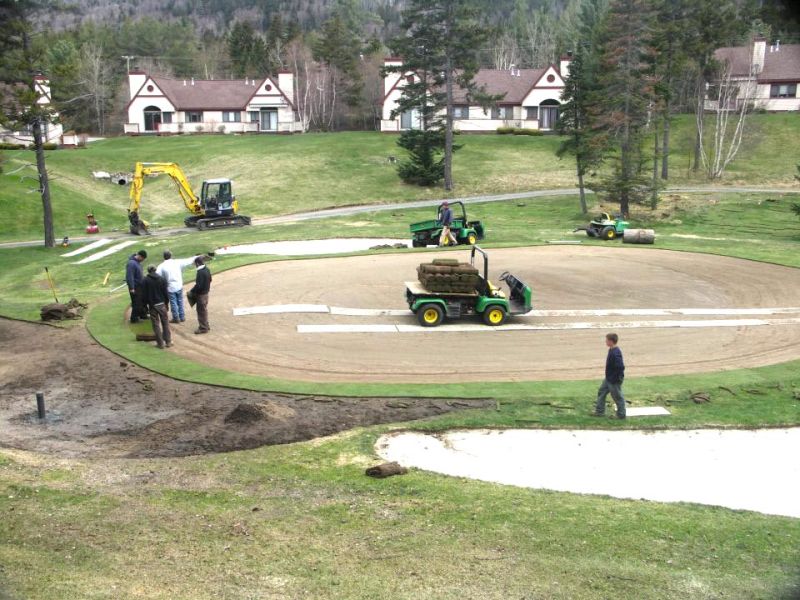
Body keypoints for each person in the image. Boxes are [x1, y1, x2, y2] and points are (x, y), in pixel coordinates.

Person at [157, 250, 199, 324]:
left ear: (164, 257)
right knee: (180, 301)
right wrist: (197, 256)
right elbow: (188, 261)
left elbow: (157, 275)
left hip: (170, 287)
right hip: (179, 286)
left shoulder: (161, 266)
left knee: (173, 303)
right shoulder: (177, 262)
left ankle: (176, 318)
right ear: (171, 255)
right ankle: (182, 317)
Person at [593, 332, 626, 419]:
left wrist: (615, 378)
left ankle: (621, 414)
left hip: (614, 380)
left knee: (617, 397)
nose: (605, 342)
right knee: (601, 392)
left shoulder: (616, 353)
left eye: (607, 340)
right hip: (608, 378)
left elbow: (620, 367)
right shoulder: (611, 350)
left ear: (611, 341)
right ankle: (600, 412)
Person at [140, 265, 172, 349]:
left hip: (152, 305)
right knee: (165, 323)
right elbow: (166, 293)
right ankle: (168, 341)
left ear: (148, 271)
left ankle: (160, 344)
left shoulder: (145, 280)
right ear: (155, 270)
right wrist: (166, 303)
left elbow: (144, 295)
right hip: (162, 304)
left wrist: (145, 305)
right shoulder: (162, 279)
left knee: (156, 325)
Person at [189, 256, 212, 334]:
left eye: (195, 264)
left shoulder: (200, 272)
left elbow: (199, 286)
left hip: (201, 295)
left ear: (198, 263)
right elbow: (210, 279)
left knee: (201, 311)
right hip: (206, 294)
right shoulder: (207, 269)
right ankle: (206, 325)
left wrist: (192, 291)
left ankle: (203, 328)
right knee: (204, 310)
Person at [125, 249, 148, 323]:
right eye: (143, 259)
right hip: (135, 287)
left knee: (141, 301)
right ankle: (134, 318)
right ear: (140, 256)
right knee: (136, 302)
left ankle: (143, 315)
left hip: (140, 286)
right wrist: (132, 288)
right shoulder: (131, 263)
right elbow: (129, 276)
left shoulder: (137, 263)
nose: (143, 260)